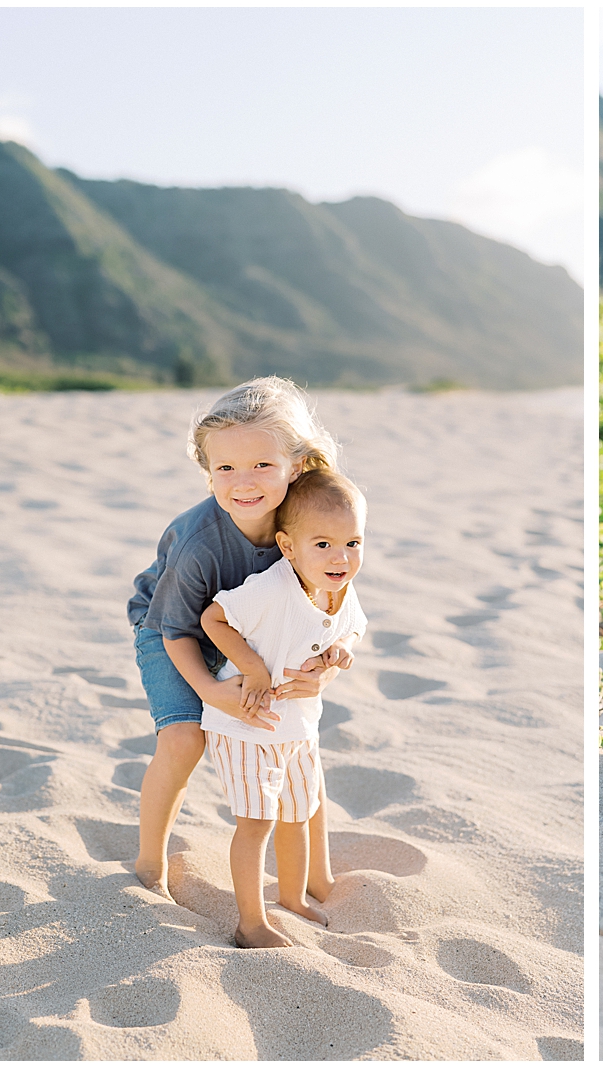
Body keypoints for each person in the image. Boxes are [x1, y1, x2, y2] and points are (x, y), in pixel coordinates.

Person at [127, 377, 352, 902]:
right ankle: (149, 861)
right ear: (208, 474)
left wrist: (327, 668)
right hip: (171, 630)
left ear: (295, 466)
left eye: (261, 466)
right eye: (225, 468)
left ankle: (317, 875)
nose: (243, 482)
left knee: (297, 740)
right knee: (185, 740)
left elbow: (332, 605)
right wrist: (209, 690)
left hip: (249, 628)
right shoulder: (200, 542)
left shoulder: (310, 520)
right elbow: (179, 628)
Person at [200, 467, 368, 948]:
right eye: (323, 545)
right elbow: (213, 618)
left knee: (299, 814)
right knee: (258, 823)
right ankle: (250, 923)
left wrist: (342, 651)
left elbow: (353, 626)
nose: (340, 557)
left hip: (299, 729)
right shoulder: (271, 589)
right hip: (248, 725)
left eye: (353, 543)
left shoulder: (338, 586)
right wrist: (252, 669)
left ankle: (292, 897)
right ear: (288, 546)